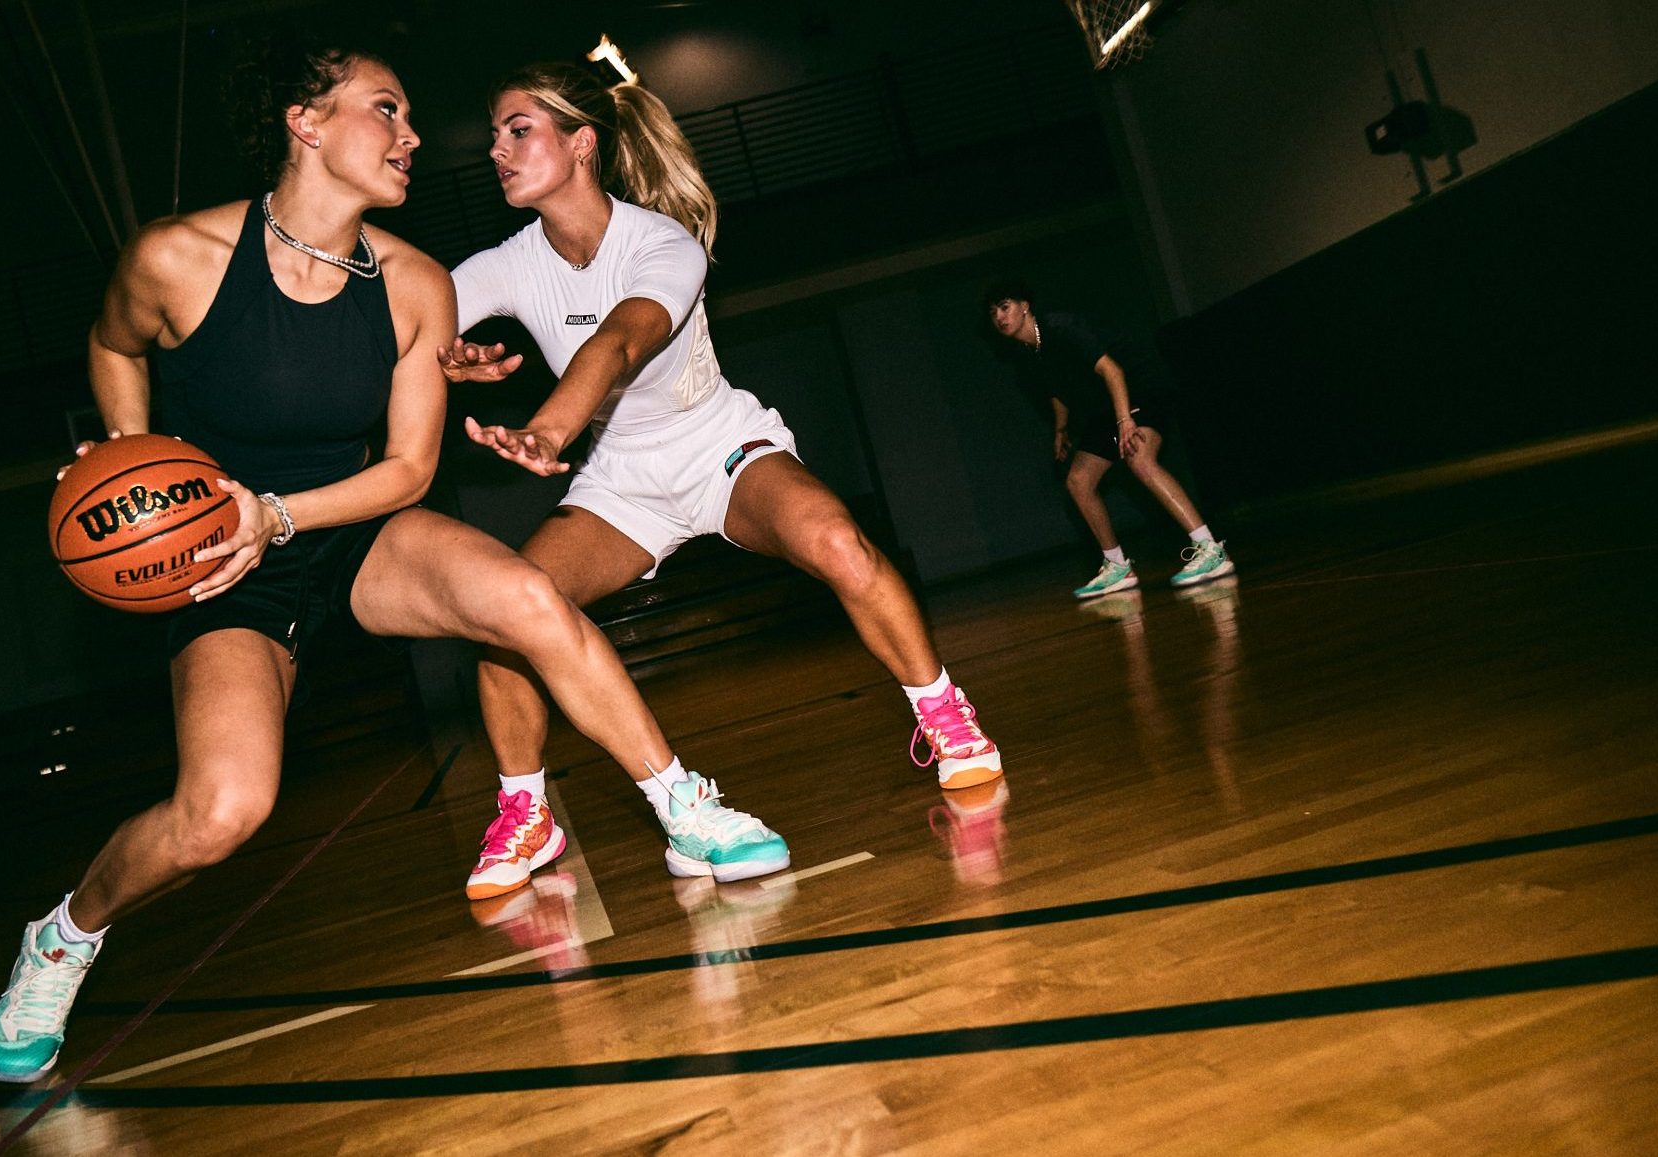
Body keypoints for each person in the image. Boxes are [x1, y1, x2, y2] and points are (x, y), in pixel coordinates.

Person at [0, 35, 784, 1085]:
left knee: (525, 594)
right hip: (223, 557)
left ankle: (682, 807)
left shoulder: (411, 286)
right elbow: (114, 343)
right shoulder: (175, 257)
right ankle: (65, 936)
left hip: (341, 521)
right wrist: (135, 461)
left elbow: (405, 469)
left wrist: (275, 511)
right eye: (384, 110)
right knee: (219, 813)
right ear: (304, 123)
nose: (412, 136)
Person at [439, 61, 1003, 893]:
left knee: (838, 543)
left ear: (581, 142)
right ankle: (527, 812)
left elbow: (620, 342)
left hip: (717, 445)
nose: (497, 149)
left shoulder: (660, 242)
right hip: (620, 479)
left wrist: (548, 429)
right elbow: (418, 316)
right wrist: (443, 355)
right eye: (494, 135)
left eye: (517, 129)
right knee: (500, 616)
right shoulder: (511, 262)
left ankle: (944, 712)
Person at [983, 281, 1233, 596]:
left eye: (1004, 307)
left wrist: (1125, 418)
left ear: (1024, 306)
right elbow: (1057, 391)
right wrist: (1060, 430)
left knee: (1139, 459)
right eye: (993, 313)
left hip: (1140, 386)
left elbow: (1112, 371)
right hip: (1105, 408)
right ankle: (1117, 568)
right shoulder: (1029, 353)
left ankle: (1211, 550)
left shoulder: (1061, 328)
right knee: (1078, 481)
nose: (1000, 317)